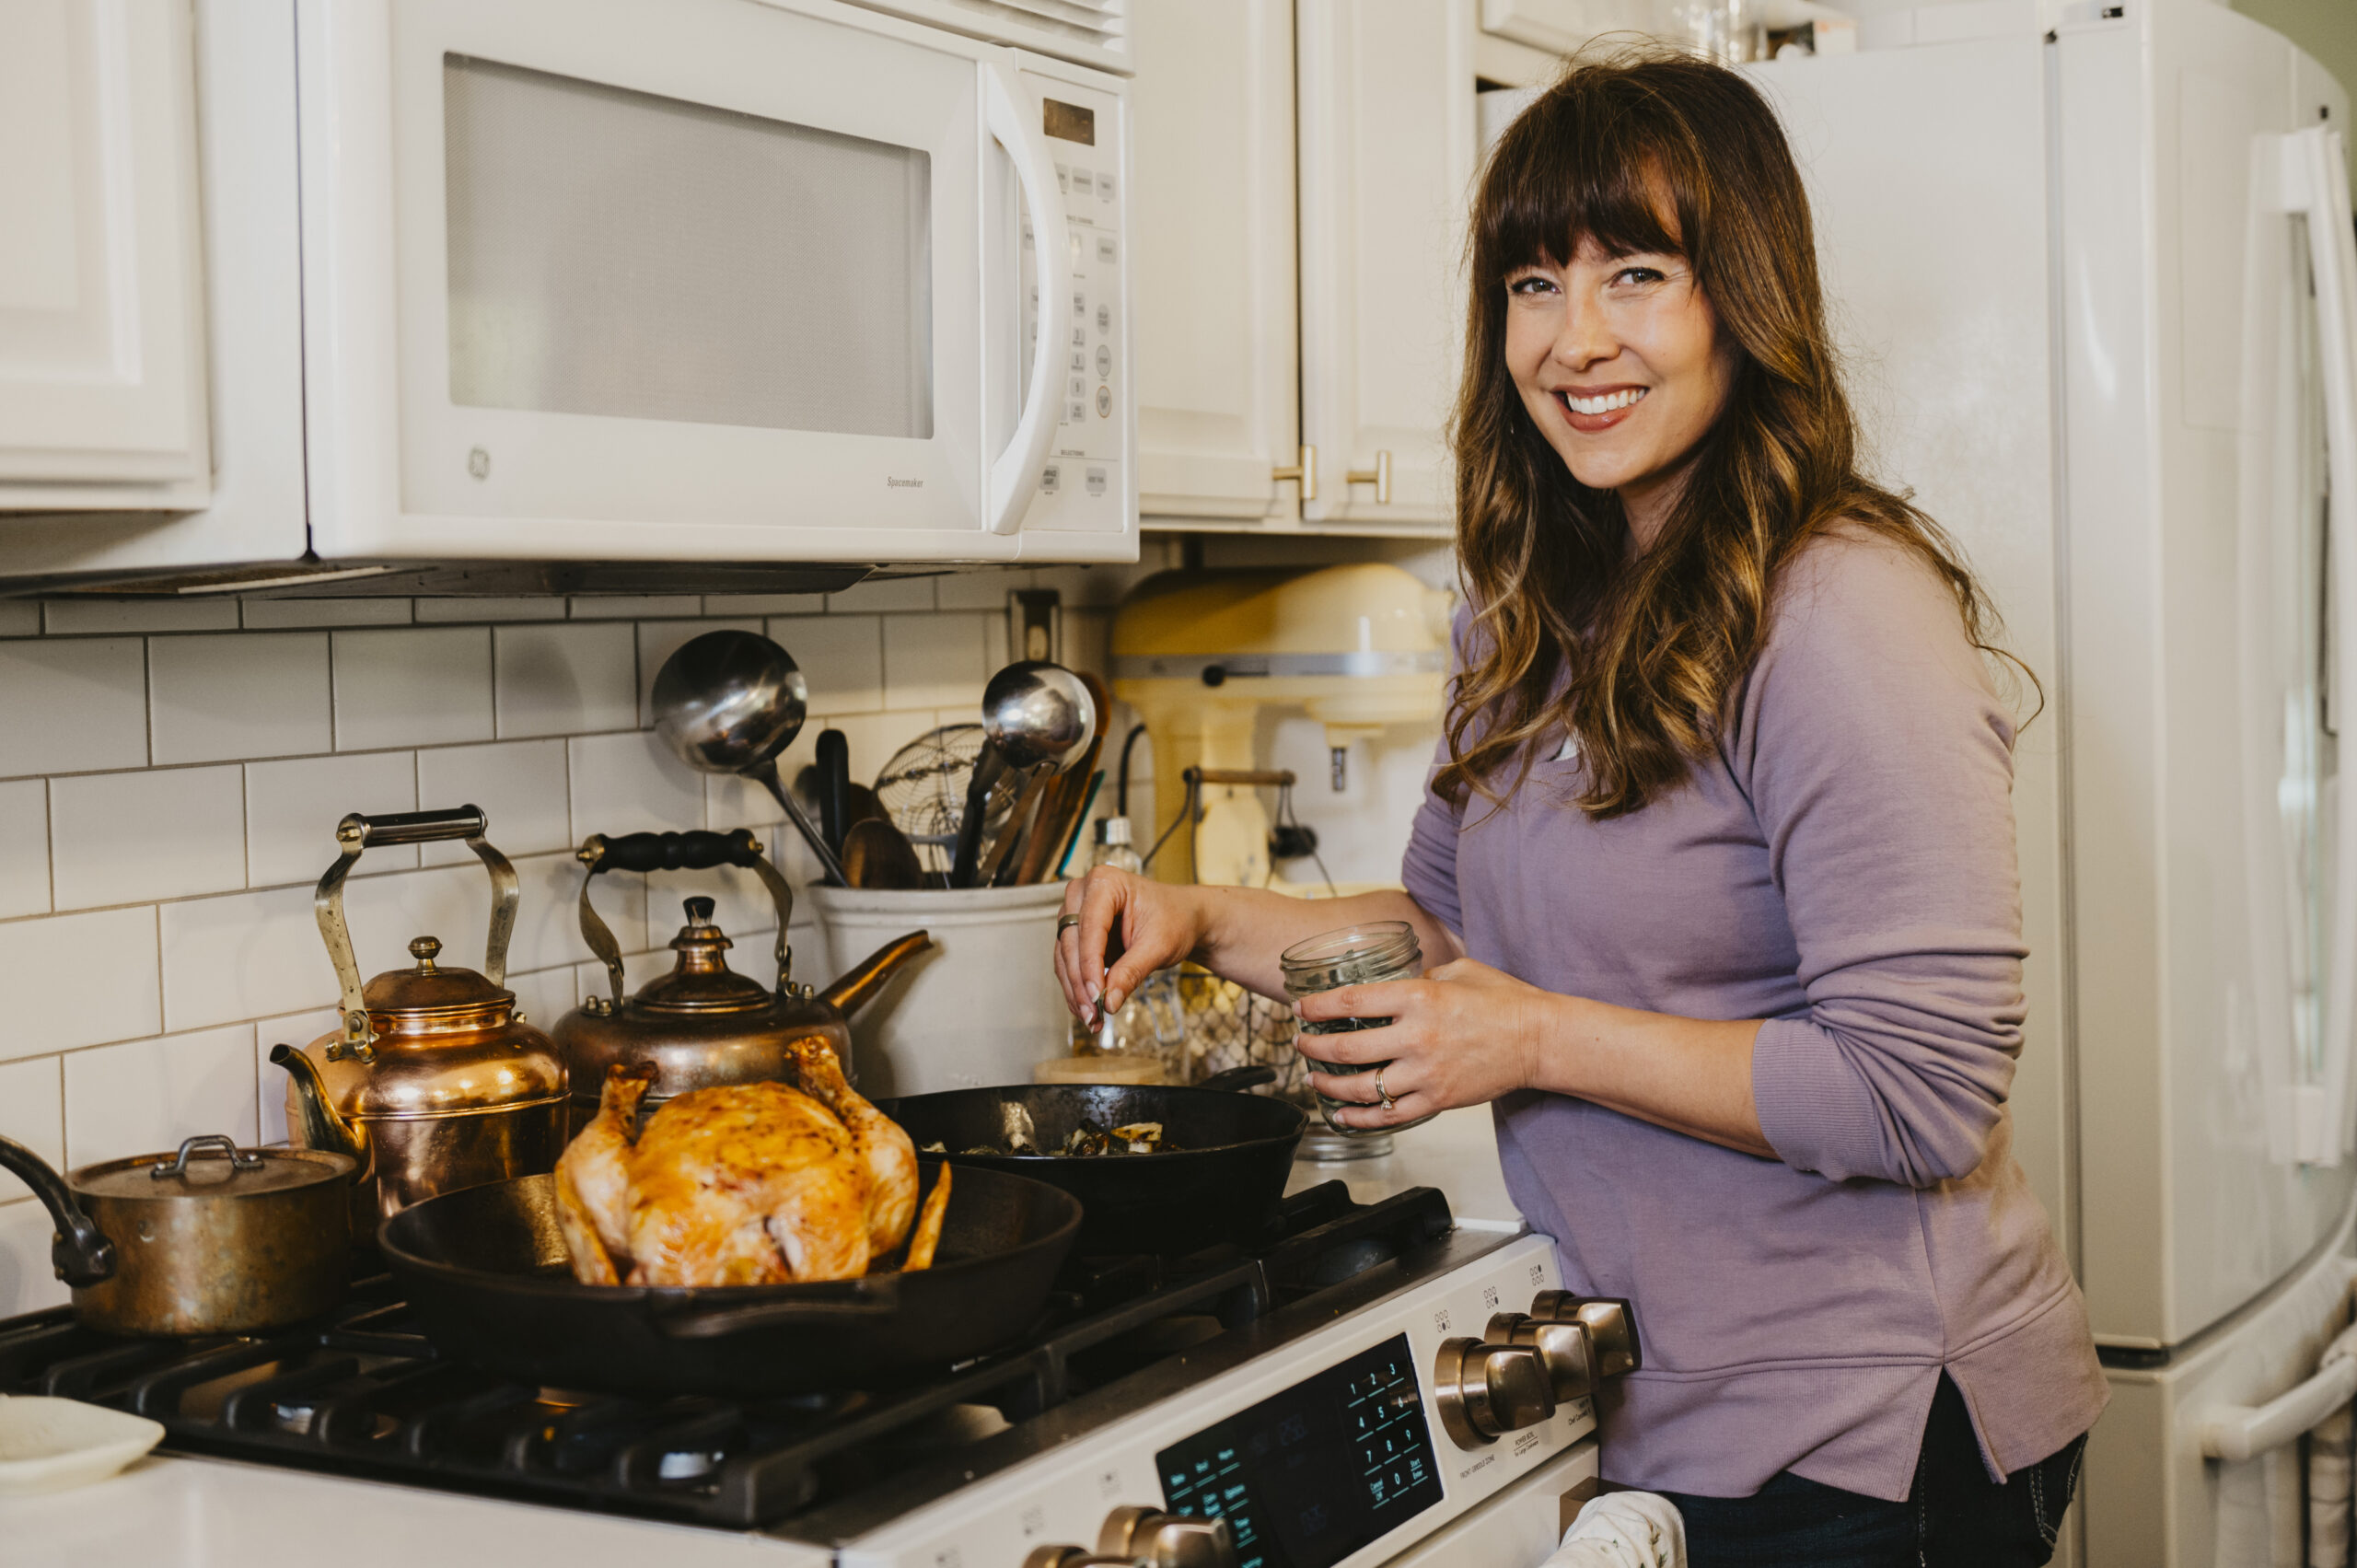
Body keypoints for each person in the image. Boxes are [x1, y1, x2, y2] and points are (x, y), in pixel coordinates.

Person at [1052, 50, 2105, 1568]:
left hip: (1874, 1433)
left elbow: (1918, 1092)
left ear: (1741, 296)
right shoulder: (1533, 610)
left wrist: (1533, 1036)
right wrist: (1206, 918)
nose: (1575, 337)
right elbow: (1439, 933)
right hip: (1656, 1399)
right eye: (1534, 282)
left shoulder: (1839, 609)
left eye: (1638, 274)